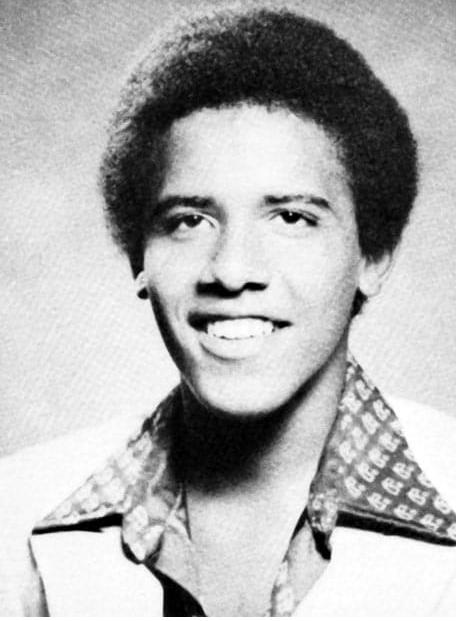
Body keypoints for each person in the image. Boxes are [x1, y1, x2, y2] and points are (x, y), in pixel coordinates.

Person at [2, 5, 456, 616]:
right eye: (190, 221)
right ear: (139, 258)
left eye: (291, 217)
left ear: (372, 255)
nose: (233, 270)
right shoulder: (13, 514)